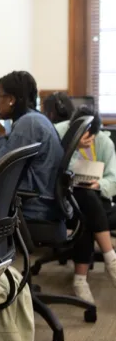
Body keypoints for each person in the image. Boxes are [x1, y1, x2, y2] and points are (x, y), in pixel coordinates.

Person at [0, 71, 64, 223]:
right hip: (45, 203)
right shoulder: (34, 119)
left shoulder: (28, 124)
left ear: (11, 99)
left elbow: (3, 171)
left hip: (34, 207)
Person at [55, 106, 116, 303]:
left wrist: (99, 184)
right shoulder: (59, 133)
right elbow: (55, 168)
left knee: (87, 207)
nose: (88, 139)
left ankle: (80, 279)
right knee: (85, 201)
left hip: (97, 199)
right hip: (67, 199)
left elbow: (114, 176)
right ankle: (111, 260)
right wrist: (73, 145)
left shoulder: (104, 142)